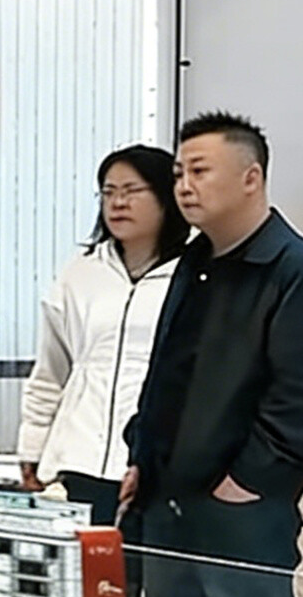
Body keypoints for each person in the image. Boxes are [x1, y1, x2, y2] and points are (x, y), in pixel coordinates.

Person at [122, 112, 303, 597]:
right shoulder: (193, 263)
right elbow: (166, 376)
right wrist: (141, 454)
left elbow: (300, 407)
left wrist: (243, 485)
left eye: (199, 171)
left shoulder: (300, 272)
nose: (184, 186)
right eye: (178, 173)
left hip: (240, 515)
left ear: (252, 178)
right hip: (165, 505)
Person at [17, 145, 188, 530]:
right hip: (80, 458)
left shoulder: (194, 273)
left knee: (144, 565)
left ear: (166, 196)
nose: (118, 203)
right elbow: (51, 371)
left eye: (132, 191)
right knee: (86, 565)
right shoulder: (80, 272)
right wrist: (32, 445)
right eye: (108, 192)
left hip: (156, 463)